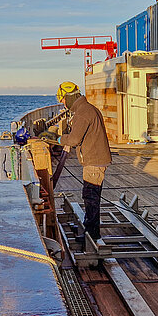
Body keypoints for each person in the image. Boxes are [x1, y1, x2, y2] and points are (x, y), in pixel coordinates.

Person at [56, 81, 112, 243]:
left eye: (64, 100)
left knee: (91, 196)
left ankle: (92, 235)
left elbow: (73, 139)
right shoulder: (87, 109)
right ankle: (91, 231)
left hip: (94, 160)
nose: (63, 103)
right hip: (95, 158)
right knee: (90, 195)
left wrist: (57, 139)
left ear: (69, 97)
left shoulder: (82, 112)